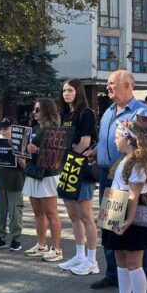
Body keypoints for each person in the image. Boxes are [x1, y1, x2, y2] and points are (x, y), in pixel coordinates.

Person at [92, 71, 147, 289]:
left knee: (132, 234)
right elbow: (104, 141)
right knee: (111, 230)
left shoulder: (141, 111)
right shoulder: (108, 111)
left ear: (128, 85)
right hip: (107, 176)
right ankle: (113, 275)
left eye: (112, 84)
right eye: (108, 85)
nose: (108, 88)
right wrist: (95, 152)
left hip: (130, 178)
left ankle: (144, 282)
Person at [98, 120, 147, 293]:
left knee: (134, 262)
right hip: (116, 209)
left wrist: (128, 221)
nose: (114, 140)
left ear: (129, 139)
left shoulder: (138, 163)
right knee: (120, 258)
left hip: (129, 214)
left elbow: (134, 196)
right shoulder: (125, 160)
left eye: (117, 136)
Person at [57, 79, 100, 275]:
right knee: (73, 215)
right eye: (64, 90)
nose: (66, 94)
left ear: (78, 92)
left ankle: (92, 260)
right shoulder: (66, 114)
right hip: (67, 167)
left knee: (86, 216)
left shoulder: (86, 114)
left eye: (70, 90)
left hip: (79, 168)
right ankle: (79, 255)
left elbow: (85, 141)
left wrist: (71, 154)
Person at [22, 97, 64, 262]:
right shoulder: (36, 128)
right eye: (34, 109)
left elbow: (57, 153)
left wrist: (37, 150)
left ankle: (57, 248)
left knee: (51, 212)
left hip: (47, 175)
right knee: (38, 212)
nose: (34, 112)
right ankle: (41, 245)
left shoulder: (53, 129)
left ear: (46, 110)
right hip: (34, 172)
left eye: (37, 109)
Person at [0, 118, 26, 251]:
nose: (4, 132)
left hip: (15, 182)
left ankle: (16, 239)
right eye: (3, 128)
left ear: (14, 130)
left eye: (7, 128)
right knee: (0, 211)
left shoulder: (22, 143)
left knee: (15, 211)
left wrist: (15, 152)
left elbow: (26, 166)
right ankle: (0, 237)